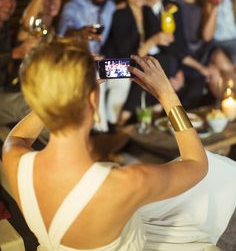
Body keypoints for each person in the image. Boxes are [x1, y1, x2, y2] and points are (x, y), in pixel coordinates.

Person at [2, 37, 236, 251]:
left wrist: (56, 94)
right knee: (219, 172)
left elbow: (18, 137)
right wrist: (167, 95)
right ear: (93, 100)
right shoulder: (124, 182)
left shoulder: (14, 159)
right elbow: (198, 164)